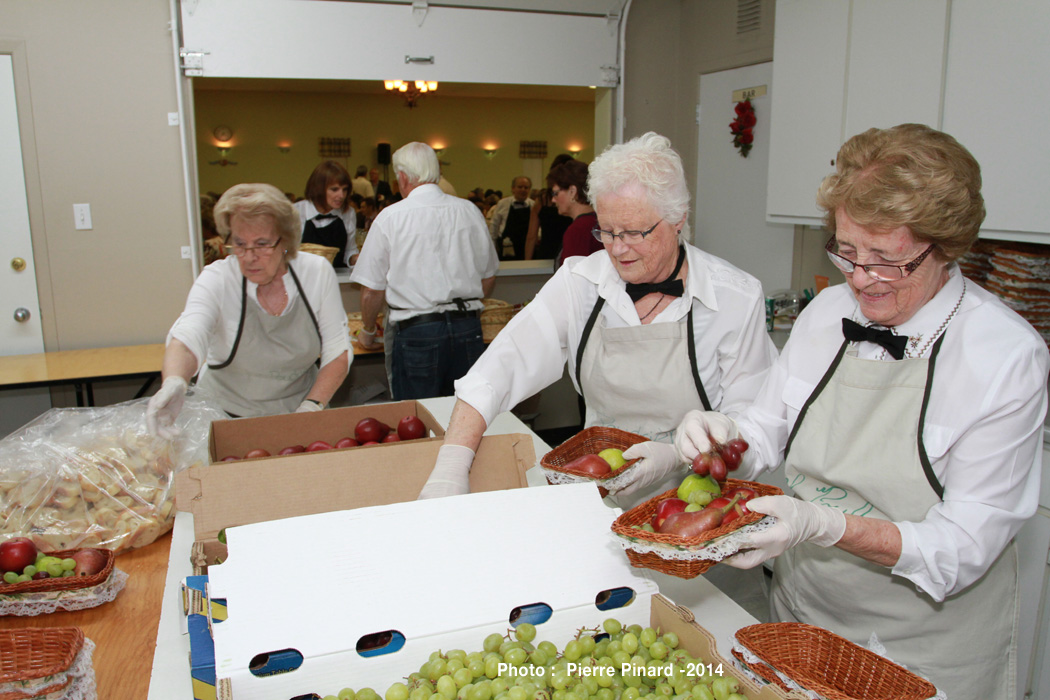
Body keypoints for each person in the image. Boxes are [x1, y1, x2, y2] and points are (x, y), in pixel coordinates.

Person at [670, 124, 1049, 700]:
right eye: (847, 252)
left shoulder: (1003, 355)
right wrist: (724, 433)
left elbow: (963, 548)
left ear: (945, 248)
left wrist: (826, 525)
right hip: (802, 616)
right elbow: (769, 427)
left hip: (924, 651)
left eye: (886, 260)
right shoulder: (826, 313)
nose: (860, 278)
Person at [419, 132, 777, 504]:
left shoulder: (734, 297)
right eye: (606, 231)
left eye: (635, 232)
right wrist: (451, 464)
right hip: (598, 498)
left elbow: (756, 428)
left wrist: (677, 457)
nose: (618, 249)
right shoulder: (581, 283)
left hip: (699, 510)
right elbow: (500, 368)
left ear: (677, 220)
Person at [146, 183, 351, 432]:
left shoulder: (315, 272)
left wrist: (312, 406)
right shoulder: (218, 278)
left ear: (285, 240)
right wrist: (175, 382)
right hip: (223, 415)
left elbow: (337, 349)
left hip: (300, 410)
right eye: (240, 244)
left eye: (262, 244)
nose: (250, 257)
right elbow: (189, 336)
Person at [350, 142, 499, 400]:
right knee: (464, 412)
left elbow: (371, 291)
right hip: (467, 328)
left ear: (404, 177)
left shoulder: (391, 217)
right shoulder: (469, 211)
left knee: (416, 418)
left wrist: (368, 331)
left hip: (417, 332)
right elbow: (488, 275)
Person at [293, 161, 359, 269]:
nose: (341, 195)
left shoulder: (348, 213)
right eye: (334, 189)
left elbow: (349, 250)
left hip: (336, 279)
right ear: (318, 188)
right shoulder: (296, 212)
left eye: (345, 189)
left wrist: (354, 259)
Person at [547, 160, 603, 267]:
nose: (553, 200)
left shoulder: (579, 229)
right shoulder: (598, 221)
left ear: (572, 191)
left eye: (555, 193)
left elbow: (573, 279)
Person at [525, 154, 574, 261]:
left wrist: (527, 263)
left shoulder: (542, 199)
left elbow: (531, 236)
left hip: (547, 253)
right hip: (570, 254)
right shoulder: (577, 199)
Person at [488, 176, 533, 260]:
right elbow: (494, 226)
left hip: (526, 247)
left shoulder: (533, 205)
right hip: (507, 247)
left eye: (526, 187)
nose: (523, 190)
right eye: (520, 187)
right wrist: (492, 248)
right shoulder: (502, 203)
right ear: (513, 188)